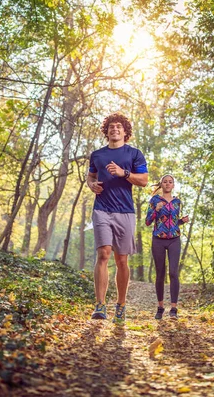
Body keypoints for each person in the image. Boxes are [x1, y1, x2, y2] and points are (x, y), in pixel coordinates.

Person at [87, 113, 148, 323]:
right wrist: (91, 185)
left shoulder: (134, 154)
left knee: (121, 260)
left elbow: (144, 180)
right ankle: (100, 305)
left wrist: (125, 173)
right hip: (102, 208)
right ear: (107, 131)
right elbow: (91, 175)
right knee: (103, 254)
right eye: (111, 127)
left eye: (119, 127)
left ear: (125, 132)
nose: (115, 129)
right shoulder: (97, 155)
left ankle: (120, 305)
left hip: (125, 211)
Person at [145, 174, 189, 320]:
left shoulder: (177, 201)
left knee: (174, 273)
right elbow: (147, 221)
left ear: (173, 185)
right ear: (161, 184)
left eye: (170, 182)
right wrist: (156, 210)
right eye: (165, 181)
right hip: (158, 239)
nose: (168, 184)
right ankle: (160, 307)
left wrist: (182, 221)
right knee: (160, 273)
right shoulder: (155, 200)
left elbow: (174, 222)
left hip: (174, 239)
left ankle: (174, 309)